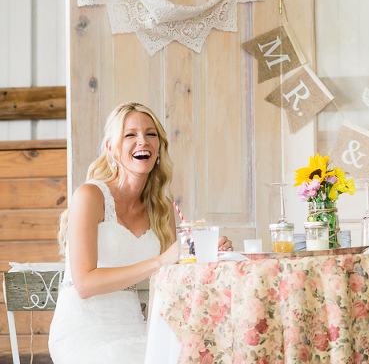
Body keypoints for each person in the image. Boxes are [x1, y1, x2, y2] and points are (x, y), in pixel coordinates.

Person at [48, 102, 233, 364]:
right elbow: (85, 285)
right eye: (130, 134)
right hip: (83, 333)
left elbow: (173, 276)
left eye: (150, 134)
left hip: (136, 329)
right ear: (111, 148)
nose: (142, 141)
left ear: (159, 148)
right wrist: (161, 260)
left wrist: (205, 255)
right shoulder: (90, 196)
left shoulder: (163, 208)